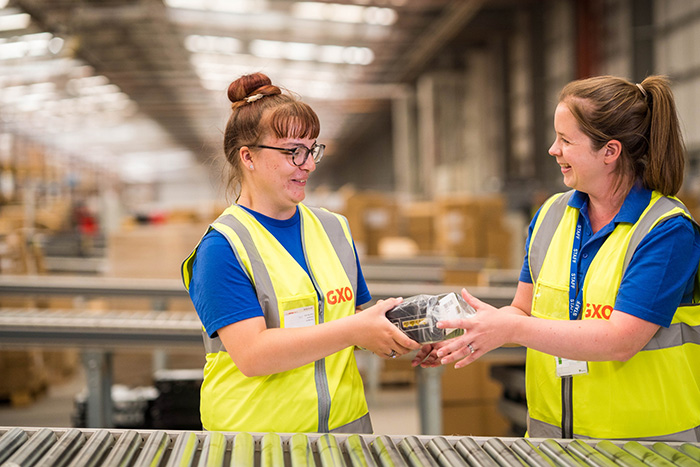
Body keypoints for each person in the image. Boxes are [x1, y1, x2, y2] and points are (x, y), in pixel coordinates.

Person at [414, 75, 700, 441]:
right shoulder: (552, 215)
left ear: (610, 152)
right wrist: (471, 333)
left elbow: (622, 339)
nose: (553, 149)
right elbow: (522, 309)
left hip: (643, 448)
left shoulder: (665, 230)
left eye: (565, 140)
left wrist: (511, 328)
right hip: (554, 443)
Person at [181, 72, 419, 434]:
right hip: (259, 446)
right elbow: (253, 354)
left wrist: (413, 335)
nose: (307, 164)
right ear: (248, 157)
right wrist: (355, 329)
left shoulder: (333, 229)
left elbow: (356, 317)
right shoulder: (223, 247)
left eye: (312, 150)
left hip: (344, 437)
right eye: (294, 151)